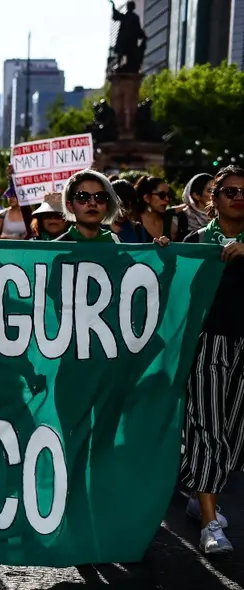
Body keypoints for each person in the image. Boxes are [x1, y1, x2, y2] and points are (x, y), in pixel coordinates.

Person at [180, 165, 244, 555]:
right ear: (214, 199)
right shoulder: (198, 241)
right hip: (208, 345)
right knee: (209, 430)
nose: (239, 197)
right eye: (230, 191)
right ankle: (209, 521)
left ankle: (200, 491)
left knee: (235, 434)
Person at [55, 170, 123, 243]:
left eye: (100, 197)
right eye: (82, 197)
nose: (93, 203)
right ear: (70, 206)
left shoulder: (115, 242)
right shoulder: (56, 247)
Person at [133, 175, 179, 242]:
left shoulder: (170, 220)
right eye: (162, 195)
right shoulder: (134, 222)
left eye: (168, 195)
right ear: (147, 198)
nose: (167, 199)